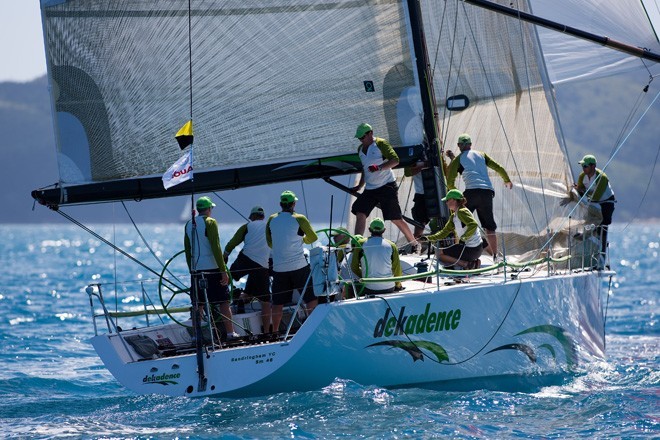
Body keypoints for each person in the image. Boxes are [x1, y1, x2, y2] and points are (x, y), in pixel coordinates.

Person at [351, 123, 419, 251]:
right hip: (370, 188)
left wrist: (379, 168)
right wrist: (360, 186)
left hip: (386, 186)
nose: (361, 140)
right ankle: (357, 246)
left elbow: (395, 160)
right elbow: (365, 169)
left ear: (370, 133)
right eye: (359, 138)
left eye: (363, 137)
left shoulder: (381, 144)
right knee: (360, 212)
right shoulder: (360, 149)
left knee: (395, 219)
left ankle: (415, 244)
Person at [445, 133, 512, 258]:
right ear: (471, 144)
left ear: (459, 145)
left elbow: (450, 180)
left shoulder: (458, 159)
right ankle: (495, 257)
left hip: (471, 193)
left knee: (459, 221)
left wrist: (455, 195)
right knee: (489, 226)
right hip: (486, 193)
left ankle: (462, 254)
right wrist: (507, 180)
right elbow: (499, 167)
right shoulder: (481, 155)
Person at [184, 196, 238, 340]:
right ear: (208, 209)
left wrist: (191, 270)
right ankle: (230, 333)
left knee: (198, 304)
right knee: (224, 301)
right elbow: (216, 246)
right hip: (212, 269)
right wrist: (223, 270)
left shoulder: (189, 224)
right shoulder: (211, 222)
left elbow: (188, 250)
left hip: (196, 270)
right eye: (211, 208)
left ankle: (196, 336)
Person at [266, 190, 319, 334]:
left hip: (279, 268)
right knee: (310, 297)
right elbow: (313, 238)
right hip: (299, 266)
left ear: (280, 204)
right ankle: (313, 329)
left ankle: (275, 333)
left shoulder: (271, 219)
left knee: (277, 302)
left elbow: (270, 243)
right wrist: (301, 240)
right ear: (294, 204)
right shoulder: (299, 218)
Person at [223, 206, 272, 334]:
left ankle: (218, 299)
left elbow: (233, 243)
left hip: (246, 259)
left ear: (253, 216)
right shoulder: (270, 227)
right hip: (263, 265)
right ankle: (267, 332)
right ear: (263, 217)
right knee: (266, 301)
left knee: (229, 276)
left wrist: (225, 256)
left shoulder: (247, 227)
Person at [422, 189, 483, 269]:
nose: (446, 203)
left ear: (453, 200)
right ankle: (473, 262)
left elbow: (473, 224)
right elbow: (444, 232)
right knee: (449, 249)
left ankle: (465, 264)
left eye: (447, 200)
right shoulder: (454, 216)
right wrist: (428, 238)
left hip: (471, 249)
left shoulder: (462, 211)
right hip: (476, 249)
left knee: (439, 254)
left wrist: (464, 237)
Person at [574, 154, 615, 257]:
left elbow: (596, 197)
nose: (583, 168)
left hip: (606, 202)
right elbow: (580, 189)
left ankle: (601, 255)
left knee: (602, 227)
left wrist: (583, 192)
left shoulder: (601, 177)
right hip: (592, 202)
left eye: (585, 166)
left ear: (593, 166)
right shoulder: (582, 176)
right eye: (582, 166)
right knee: (589, 224)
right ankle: (587, 249)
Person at [351, 217, 403, 295]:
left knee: (349, 287)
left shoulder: (360, 243)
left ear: (369, 229)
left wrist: (364, 276)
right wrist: (398, 285)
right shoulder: (392, 245)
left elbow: (354, 267)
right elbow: (397, 268)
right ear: (384, 230)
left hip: (368, 288)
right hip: (389, 288)